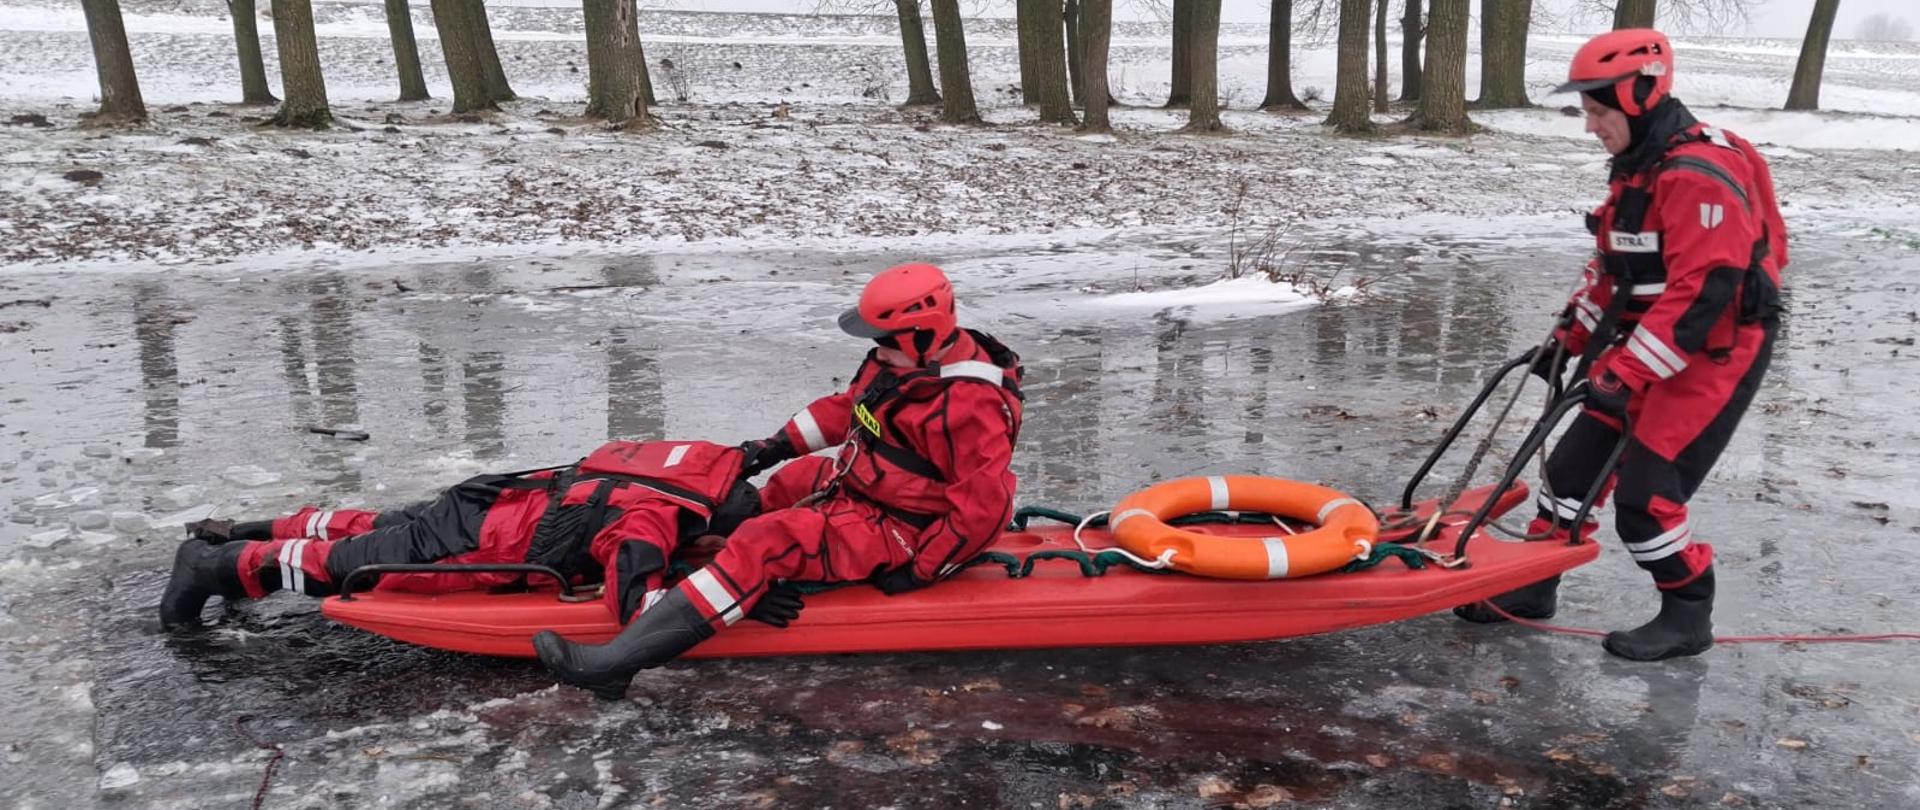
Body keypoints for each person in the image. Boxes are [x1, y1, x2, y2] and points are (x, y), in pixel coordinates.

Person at [535, 262, 1025, 699]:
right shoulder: (900, 367)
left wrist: (922, 571)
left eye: (883, 339)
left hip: (905, 530)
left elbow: (984, 509)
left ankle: (618, 664)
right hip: (863, 487)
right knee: (790, 485)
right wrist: (769, 449)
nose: (874, 349)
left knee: (765, 540)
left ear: (923, 334)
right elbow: (849, 410)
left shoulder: (969, 405)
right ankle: (722, 580)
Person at [1455, 29, 1786, 661]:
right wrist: (1568, 337)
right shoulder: (1640, 168)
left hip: (1713, 352)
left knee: (1646, 501)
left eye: (1599, 112)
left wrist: (1626, 371)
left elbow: (1703, 293)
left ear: (1640, 97)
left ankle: (1688, 613)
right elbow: (1615, 269)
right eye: (1587, 112)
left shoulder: (1698, 174)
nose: (1590, 127)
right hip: (1646, 341)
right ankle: (1531, 585)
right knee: (1568, 474)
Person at [157, 440, 800, 631]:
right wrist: (732, 600)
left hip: (496, 497)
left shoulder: (698, 466)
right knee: (343, 565)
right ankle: (212, 566)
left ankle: (242, 528)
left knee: (374, 526)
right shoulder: (654, 524)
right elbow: (632, 603)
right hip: (486, 544)